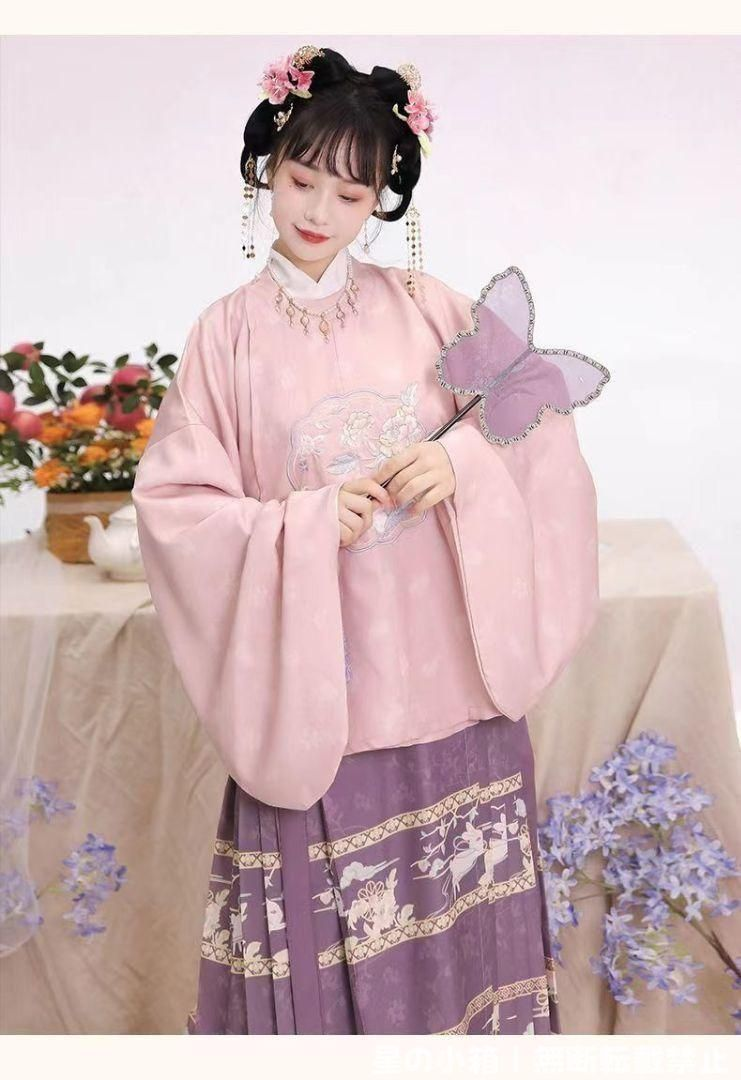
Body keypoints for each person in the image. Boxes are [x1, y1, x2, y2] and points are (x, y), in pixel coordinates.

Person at [131, 44, 600, 1035]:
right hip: (323, 707)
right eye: (301, 180)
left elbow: (533, 422)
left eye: (350, 194)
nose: (317, 211)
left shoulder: (431, 310)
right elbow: (176, 508)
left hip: (454, 691)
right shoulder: (225, 337)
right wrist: (300, 524)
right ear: (266, 168)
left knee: (471, 951)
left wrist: (462, 463)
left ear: (382, 198)